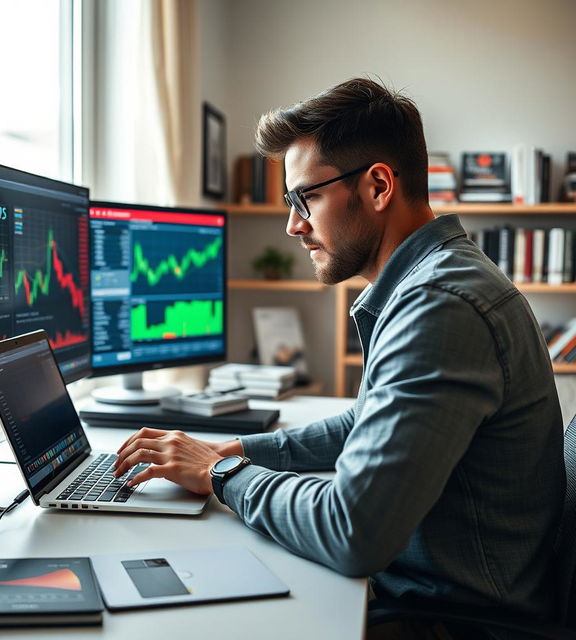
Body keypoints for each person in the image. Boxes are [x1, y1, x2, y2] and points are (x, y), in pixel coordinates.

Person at [113, 78, 565, 634]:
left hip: (452, 619)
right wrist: (238, 448)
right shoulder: (435, 279)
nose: (292, 224)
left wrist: (222, 473)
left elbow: (354, 530)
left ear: (378, 186)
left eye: (307, 197)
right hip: (436, 590)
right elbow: (369, 421)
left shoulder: (439, 305)